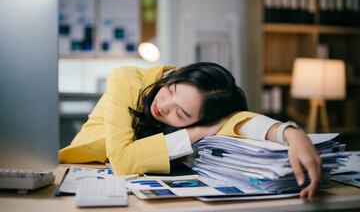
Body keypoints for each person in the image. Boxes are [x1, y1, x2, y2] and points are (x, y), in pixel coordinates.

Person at [59, 62, 322, 200]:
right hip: (85, 170)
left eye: (181, 115)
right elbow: (123, 161)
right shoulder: (126, 79)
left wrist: (292, 134)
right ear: (175, 78)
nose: (164, 106)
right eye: (170, 90)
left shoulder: (204, 102)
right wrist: (198, 131)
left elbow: (238, 119)